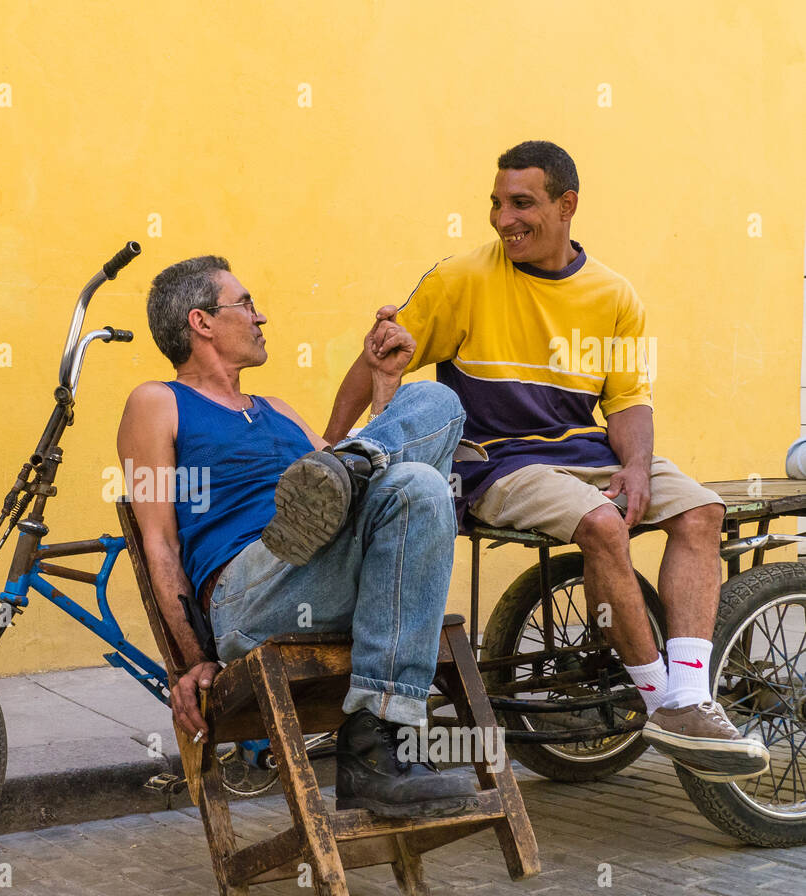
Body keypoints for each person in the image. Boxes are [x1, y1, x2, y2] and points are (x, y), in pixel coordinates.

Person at [316, 140, 768, 782]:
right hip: (496, 463)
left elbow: (629, 401)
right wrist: (333, 444)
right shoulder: (461, 278)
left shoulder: (615, 295)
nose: (504, 219)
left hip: (584, 451)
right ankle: (659, 702)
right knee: (606, 527)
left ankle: (689, 696)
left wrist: (636, 466)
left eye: (521, 203)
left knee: (703, 512)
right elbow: (381, 355)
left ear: (567, 205)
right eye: (496, 204)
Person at [117, 255, 476, 818]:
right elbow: (159, 543)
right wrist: (192, 659)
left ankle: (374, 751)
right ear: (201, 322)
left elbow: (377, 496)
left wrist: (383, 380)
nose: (262, 319)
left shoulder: (278, 409)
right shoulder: (156, 402)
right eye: (247, 304)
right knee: (401, 475)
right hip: (249, 592)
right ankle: (350, 461)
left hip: (328, 578)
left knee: (434, 427)